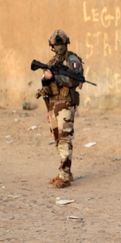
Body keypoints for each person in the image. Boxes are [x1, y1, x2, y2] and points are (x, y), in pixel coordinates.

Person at [38, 29, 84, 188]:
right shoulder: (51, 63)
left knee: (65, 138)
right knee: (58, 140)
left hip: (65, 103)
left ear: (66, 44)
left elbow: (75, 80)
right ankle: (66, 172)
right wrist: (48, 109)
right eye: (56, 44)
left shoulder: (72, 59)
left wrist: (56, 77)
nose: (58, 47)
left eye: (61, 44)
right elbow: (46, 85)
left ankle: (64, 175)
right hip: (53, 105)